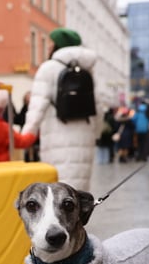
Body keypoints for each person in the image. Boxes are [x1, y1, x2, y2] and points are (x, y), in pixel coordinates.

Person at [20, 27, 100, 191]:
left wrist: (27, 135)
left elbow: (37, 106)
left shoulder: (48, 68)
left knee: (57, 191)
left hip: (56, 136)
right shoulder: (88, 70)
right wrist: (96, 133)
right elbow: (98, 106)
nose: (49, 46)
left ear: (58, 45)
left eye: (52, 43)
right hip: (85, 137)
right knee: (79, 190)